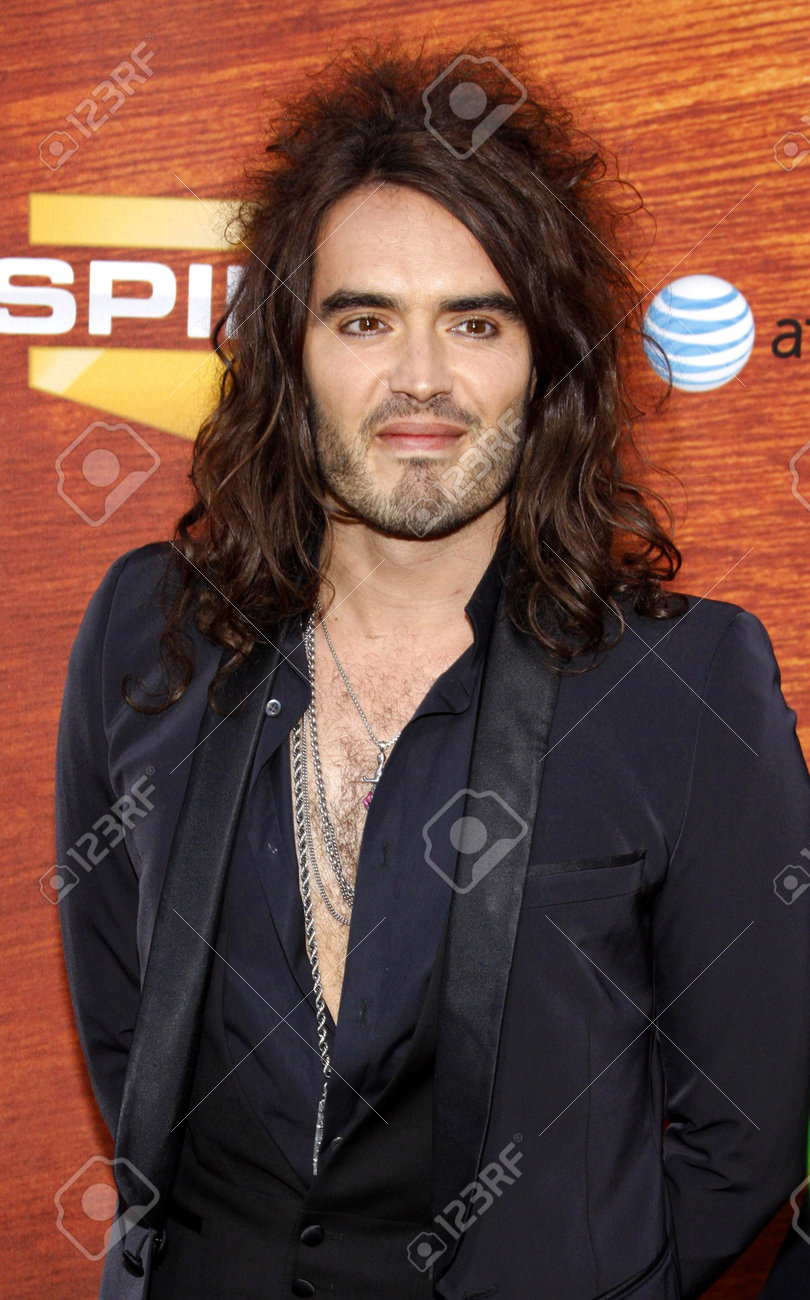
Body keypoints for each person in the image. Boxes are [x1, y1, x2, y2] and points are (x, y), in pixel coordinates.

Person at [55, 36, 810, 1300]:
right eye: (364, 319)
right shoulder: (151, 631)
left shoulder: (684, 684)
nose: (420, 379)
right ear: (289, 352)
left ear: (546, 360)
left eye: (475, 320)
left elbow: (743, 1137)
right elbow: (129, 1030)